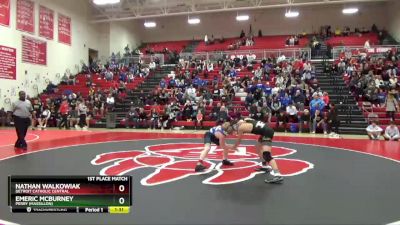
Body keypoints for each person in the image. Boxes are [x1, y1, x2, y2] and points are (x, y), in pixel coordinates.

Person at [232, 118, 283, 184]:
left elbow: (239, 141)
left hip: (266, 133)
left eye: (235, 127)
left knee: (266, 155)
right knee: (257, 147)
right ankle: (265, 166)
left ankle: (278, 175)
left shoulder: (240, 128)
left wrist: (234, 147)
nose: (235, 129)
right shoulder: (247, 119)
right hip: (265, 131)